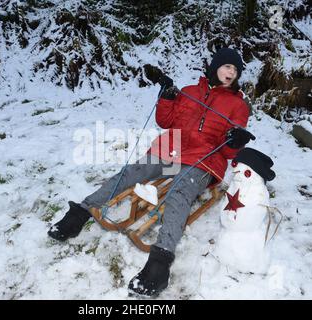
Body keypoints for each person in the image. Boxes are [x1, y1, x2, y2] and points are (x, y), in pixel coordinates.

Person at [47, 47, 255, 296]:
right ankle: (79, 213)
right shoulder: (189, 92)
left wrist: (235, 140)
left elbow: (231, 149)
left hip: (203, 159)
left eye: (235, 69)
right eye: (227, 66)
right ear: (215, 67)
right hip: (172, 150)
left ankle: (160, 263)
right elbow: (165, 121)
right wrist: (167, 97)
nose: (230, 72)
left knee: (178, 192)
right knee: (132, 172)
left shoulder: (238, 104)